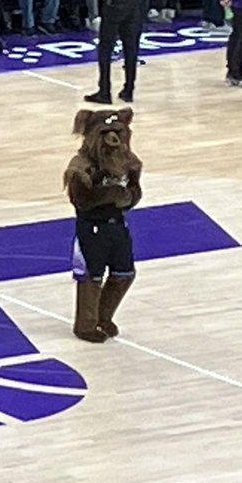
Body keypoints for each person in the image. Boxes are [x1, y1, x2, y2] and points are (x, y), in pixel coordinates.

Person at [64, 108, 142, 343]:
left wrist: (126, 197)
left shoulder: (128, 162)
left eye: (117, 131)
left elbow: (135, 192)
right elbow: (81, 201)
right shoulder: (81, 166)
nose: (112, 138)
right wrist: (110, 193)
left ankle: (103, 316)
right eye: (105, 132)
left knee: (124, 273)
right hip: (92, 228)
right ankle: (85, 326)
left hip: (117, 225)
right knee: (91, 278)